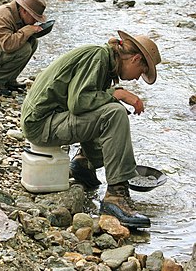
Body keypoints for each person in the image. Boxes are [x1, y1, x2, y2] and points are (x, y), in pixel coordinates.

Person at [20, 30, 162, 228]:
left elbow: (86, 105)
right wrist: (118, 94)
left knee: (109, 109)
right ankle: (115, 198)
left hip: (46, 120)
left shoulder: (105, 60)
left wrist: (114, 95)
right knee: (114, 113)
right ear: (136, 59)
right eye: (141, 72)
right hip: (42, 124)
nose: (138, 79)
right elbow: (78, 103)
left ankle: (83, 164)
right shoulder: (98, 57)